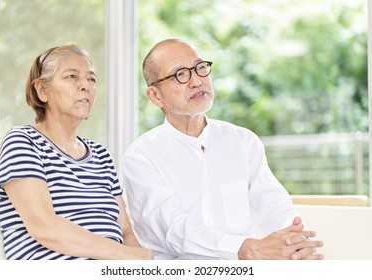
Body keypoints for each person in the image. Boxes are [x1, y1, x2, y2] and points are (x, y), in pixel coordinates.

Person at [121, 38, 324, 260]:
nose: (197, 81)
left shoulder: (243, 141)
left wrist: (294, 244)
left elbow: (273, 205)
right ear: (155, 96)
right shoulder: (140, 157)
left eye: (200, 68)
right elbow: (174, 232)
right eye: (180, 74)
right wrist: (245, 248)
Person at [0, 45, 153, 260]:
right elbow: (45, 227)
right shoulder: (22, 141)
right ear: (42, 90)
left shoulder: (101, 155)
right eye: (71, 76)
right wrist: (124, 255)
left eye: (91, 79)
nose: (85, 86)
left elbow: (125, 232)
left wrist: (140, 264)